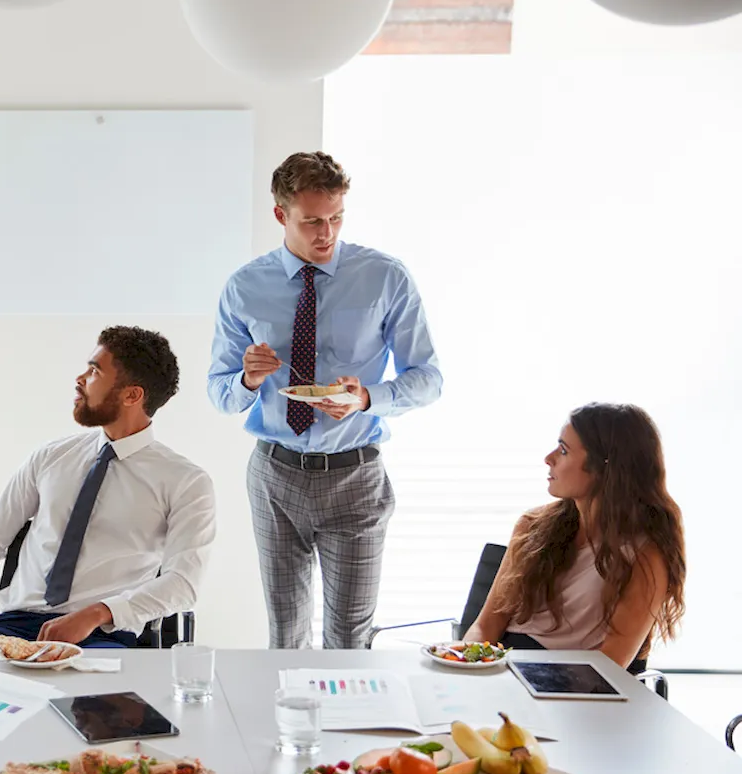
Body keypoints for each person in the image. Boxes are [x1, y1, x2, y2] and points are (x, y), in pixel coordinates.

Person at [208, 151, 442, 650]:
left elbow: (428, 378)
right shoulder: (245, 287)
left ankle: (346, 725)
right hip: (274, 475)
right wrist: (247, 381)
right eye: (312, 220)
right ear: (280, 215)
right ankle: (290, 730)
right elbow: (219, 393)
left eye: (336, 218)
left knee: (350, 638)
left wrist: (367, 399)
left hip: (356, 476)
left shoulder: (385, 277)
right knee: (286, 634)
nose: (326, 233)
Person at [0, 327, 216, 649]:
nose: (80, 379)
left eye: (94, 371)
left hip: (101, 635)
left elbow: (183, 583)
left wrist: (96, 613)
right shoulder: (51, 457)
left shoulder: (186, 482)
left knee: (95, 699)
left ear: (132, 395)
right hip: (12, 625)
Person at [463, 403, 685, 671]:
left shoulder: (645, 554)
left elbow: (609, 667)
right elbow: (486, 625)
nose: (548, 458)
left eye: (564, 450)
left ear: (605, 468)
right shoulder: (531, 526)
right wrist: (465, 666)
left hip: (573, 686)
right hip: (503, 670)